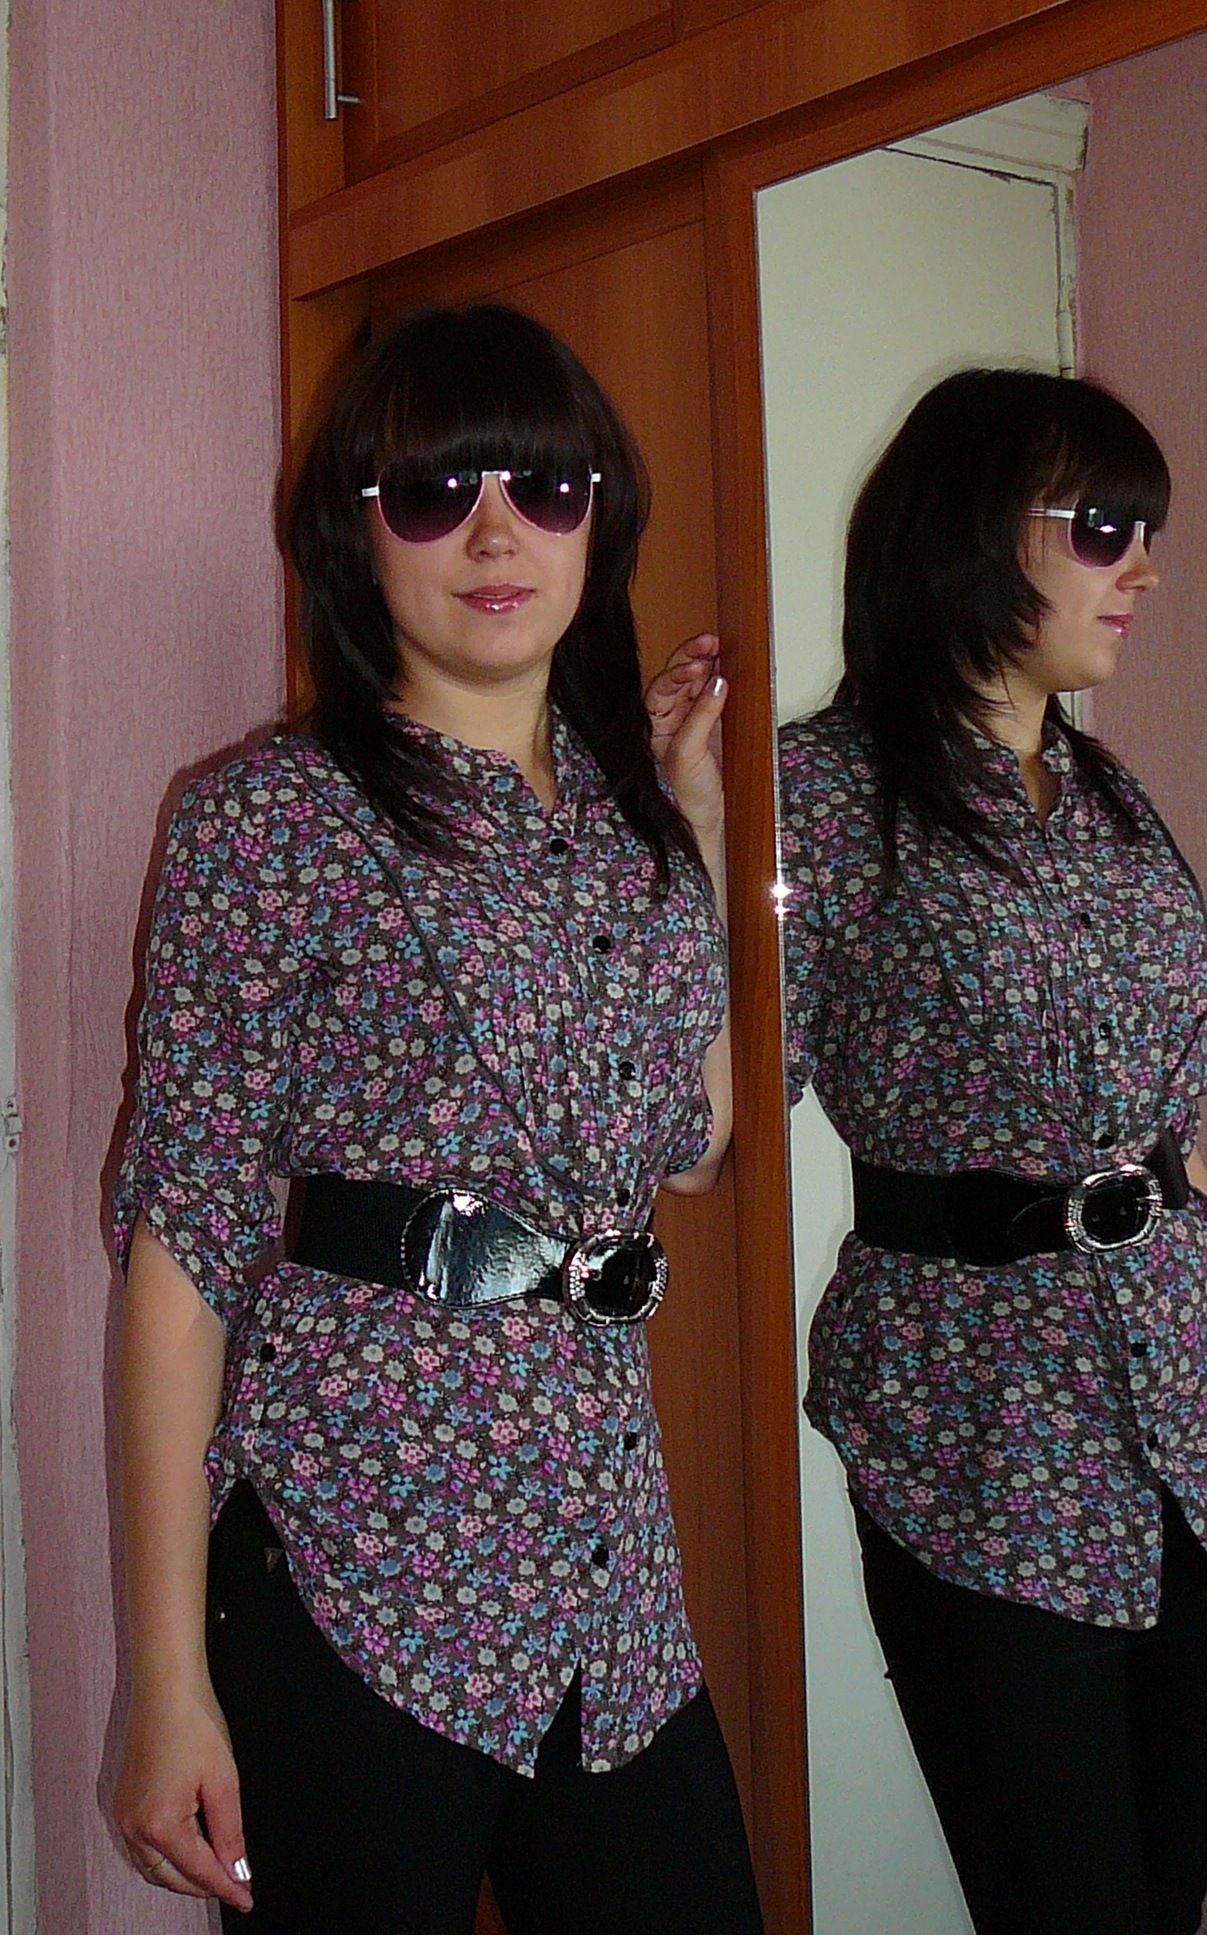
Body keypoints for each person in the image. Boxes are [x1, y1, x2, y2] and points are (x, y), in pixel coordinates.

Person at [650, 367, 1207, 1935]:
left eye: (1147, 532)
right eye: (1102, 527)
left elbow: (1161, 1138)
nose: (1141, 568)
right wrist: (700, 832)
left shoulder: (1104, 790)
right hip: (978, 1442)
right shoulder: (817, 796)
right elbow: (698, 1140)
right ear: (969, 529)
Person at [111, 303, 762, 1935]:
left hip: (610, 1593)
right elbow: (182, 1251)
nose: (494, 532)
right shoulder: (267, 819)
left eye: (543, 488)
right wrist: (164, 1679)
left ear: (597, 517)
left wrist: (688, 815)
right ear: (354, 529)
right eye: (432, 492)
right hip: (354, 1570)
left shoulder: (628, 821)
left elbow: (693, 1144)